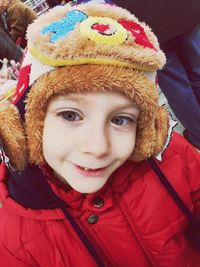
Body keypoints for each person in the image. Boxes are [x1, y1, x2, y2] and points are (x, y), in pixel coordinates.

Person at [0, 1, 199, 266]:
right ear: (24, 127)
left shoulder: (174, 157)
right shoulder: (16, 244)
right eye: (70, 115)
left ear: (149, 130)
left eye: (120, 119)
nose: (98, 146)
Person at [113, 0, 200, 150]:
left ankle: (198, 134)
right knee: (197, 69)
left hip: (146, 21)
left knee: (177, 85)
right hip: (185, 9)